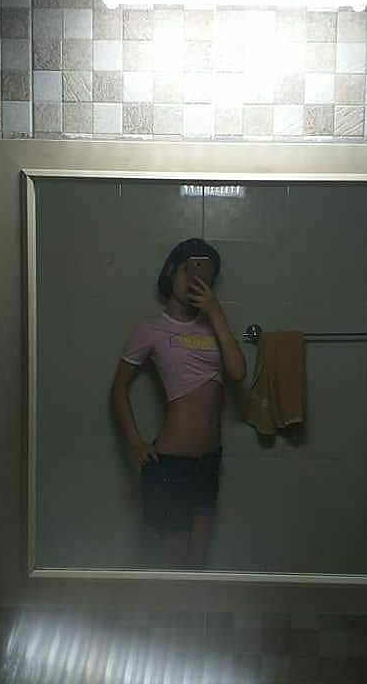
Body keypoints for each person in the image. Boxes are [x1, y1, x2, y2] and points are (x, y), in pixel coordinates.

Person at [110, 238, 246, 567]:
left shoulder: (214, 326)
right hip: (171, 462)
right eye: (188, 269)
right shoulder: (150, 329)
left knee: (197, 564)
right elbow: (118, 389)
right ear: (171, 270)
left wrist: (216, 312)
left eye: (204, 273)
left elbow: (238, 372)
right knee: (170, 567)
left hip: (209, 461)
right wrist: (136, 443)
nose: (195, 279)